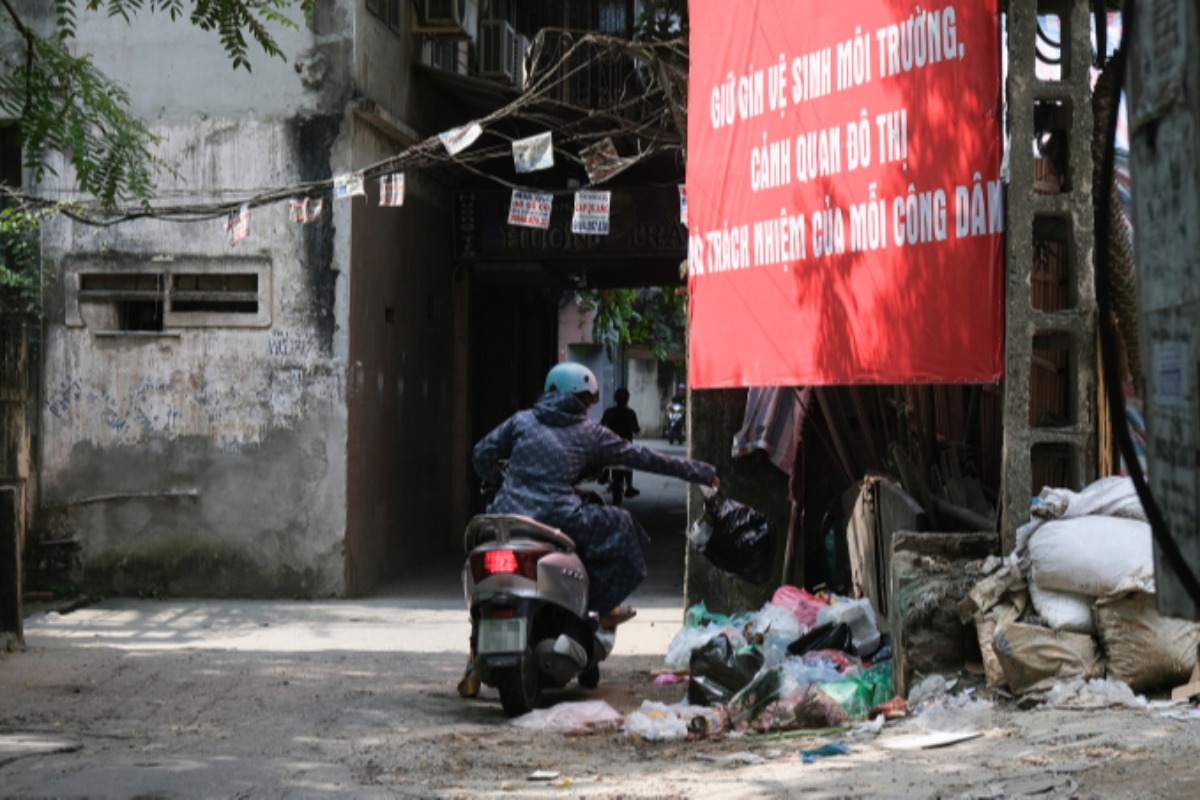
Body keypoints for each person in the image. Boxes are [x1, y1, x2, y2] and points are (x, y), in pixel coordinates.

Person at [600, 386, 641, 497]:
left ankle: (604, 474)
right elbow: (636, 429)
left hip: (611, 445)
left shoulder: (609, 412)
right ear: (627, 399)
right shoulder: (630, 413)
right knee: (629, 463)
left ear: (615, 399)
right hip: (625, 445)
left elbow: (601, 426)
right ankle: (629, 486)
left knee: (604, 454)